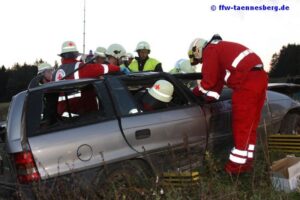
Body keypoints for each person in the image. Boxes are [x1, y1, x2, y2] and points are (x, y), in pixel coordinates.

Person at [188, 35, 268, 174]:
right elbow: (217, 83)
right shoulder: (220, 48)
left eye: (199, 60)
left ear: (198, 50)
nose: (201, 62)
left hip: (246, 83)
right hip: (259, 78)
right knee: (250, 126)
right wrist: (209, 99)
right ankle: (246, 163)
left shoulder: (210, 50)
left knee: (241, 127)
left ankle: (234, 170)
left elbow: (208, 82)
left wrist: (193, 93)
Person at [53, 41, 122, 115]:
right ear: (76, 54)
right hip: (81, 115)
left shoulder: (55, 73)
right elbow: (103, 68)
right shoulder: (80, 67)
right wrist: (118, 67)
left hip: (62, 117)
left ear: (62, 56)